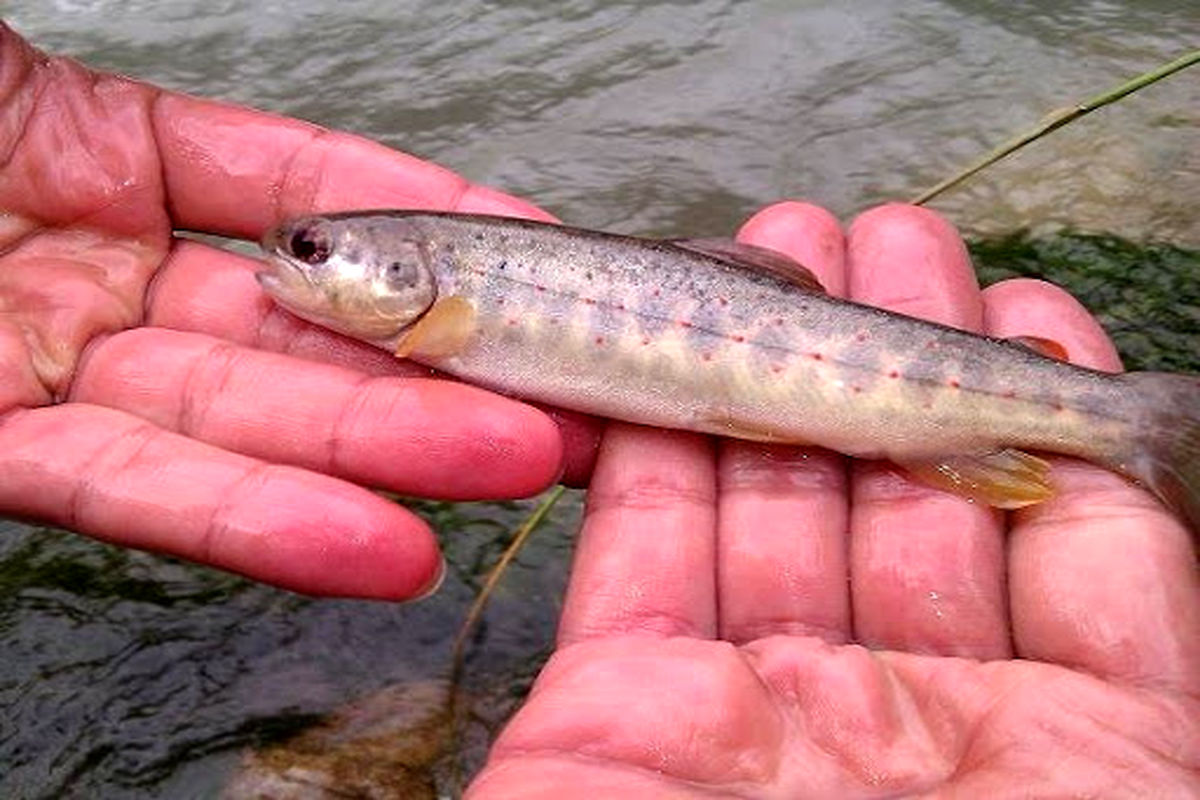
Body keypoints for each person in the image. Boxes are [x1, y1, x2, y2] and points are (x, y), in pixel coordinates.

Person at [1, 22, 1196, 797]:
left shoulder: (452, 312)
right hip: (835, 384)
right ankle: (1122, 420)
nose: (288, 262)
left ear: (418, 275)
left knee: (1075, 414)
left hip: (885, 388)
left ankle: (1137, 423)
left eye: (312, 250)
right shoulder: (438, 312)